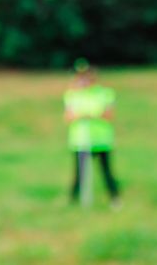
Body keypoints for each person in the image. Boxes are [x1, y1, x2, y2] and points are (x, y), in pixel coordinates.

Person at [63, 59, 120, 207]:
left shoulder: (104, 93)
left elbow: (109, 115)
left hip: (101, 140)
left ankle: (115, 198)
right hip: (80, 141)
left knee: (106, 171)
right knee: (79, 173)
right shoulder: (72, 95)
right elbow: (68, 116)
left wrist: (90, 115)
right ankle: (73, 201)